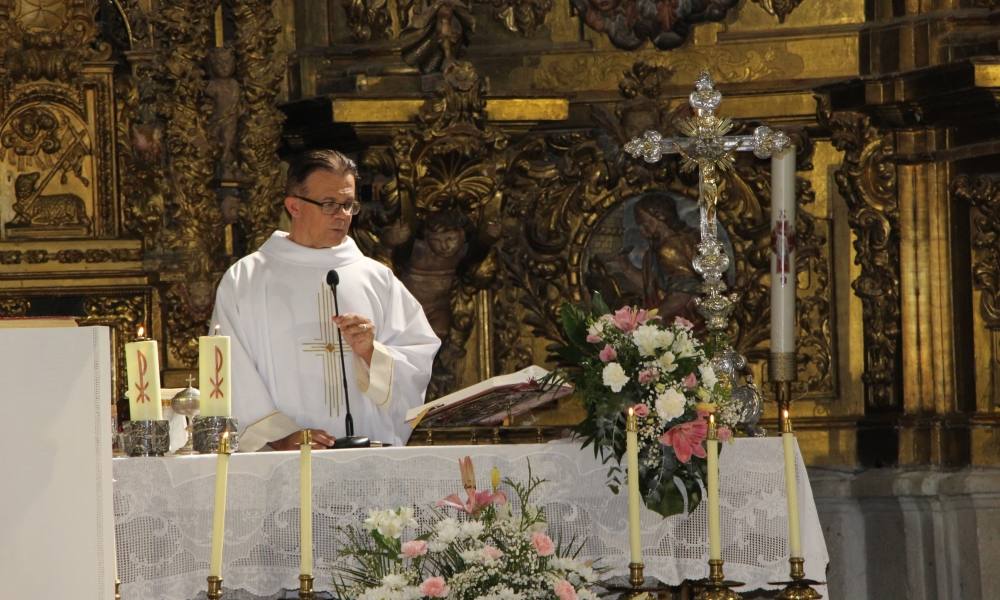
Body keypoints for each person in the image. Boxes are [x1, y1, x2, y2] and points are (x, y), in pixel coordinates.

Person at [211, 149, 441, 451]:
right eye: (329, 204)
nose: (342, 216)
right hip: (284, 461)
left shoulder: (376, 279)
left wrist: (373, 353)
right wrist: (278, 436)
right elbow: (229, 368)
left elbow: (417, 357)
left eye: (348, 205)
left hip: (365, 457)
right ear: (294, 206)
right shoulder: (246, 279)